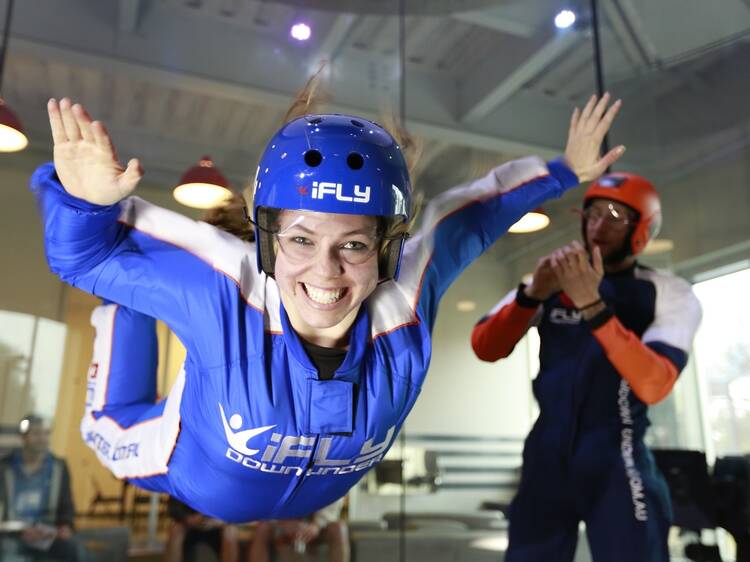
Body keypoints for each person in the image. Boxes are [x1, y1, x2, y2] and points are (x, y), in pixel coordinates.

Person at [32, 91, 623, 522]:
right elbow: (84, 259)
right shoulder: (226, 285)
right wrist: (83, 204)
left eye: (355, 245)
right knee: (118, 329)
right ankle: (128, 309)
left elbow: (472, 214)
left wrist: (564, 171)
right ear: (267, 242)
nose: (326, 271)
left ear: (387, 249)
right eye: (301, 241)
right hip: (177, 461)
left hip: (300, 496)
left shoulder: (406, 300)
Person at [471, 172, 703, 561]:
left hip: (618, 459)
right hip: (546, 455)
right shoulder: (546, 282)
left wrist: (593, 307)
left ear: (642, 229)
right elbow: (485, 347)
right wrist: (532, 296)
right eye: (593, 212)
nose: (599, 225)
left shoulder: (667, 292)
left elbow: (654, 383)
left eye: (616, 216)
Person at [0, 415, 81, 561]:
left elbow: (67, 505)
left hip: (48, 534)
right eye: (36, 433)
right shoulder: (4, 468)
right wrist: (19, 531)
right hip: (11, 535)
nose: (43, 438)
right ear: (23, 437)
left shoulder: (59, 467)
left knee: (73, 548)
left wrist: (65, 526)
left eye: (46, 433)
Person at [248, 499, 348, 562]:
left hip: (316, 522)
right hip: (281, 520)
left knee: (339, 528)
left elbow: (335, 496)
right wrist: (283, 522)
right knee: (263, 528)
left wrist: (317, 524)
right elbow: (264, 502)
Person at [165, 497, 239, 562]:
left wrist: (221, 523)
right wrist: (187, 520)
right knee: (176, 530)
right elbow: (174, 508)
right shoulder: (181, 482)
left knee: (229, 531)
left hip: (217, 525)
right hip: (188, 525)